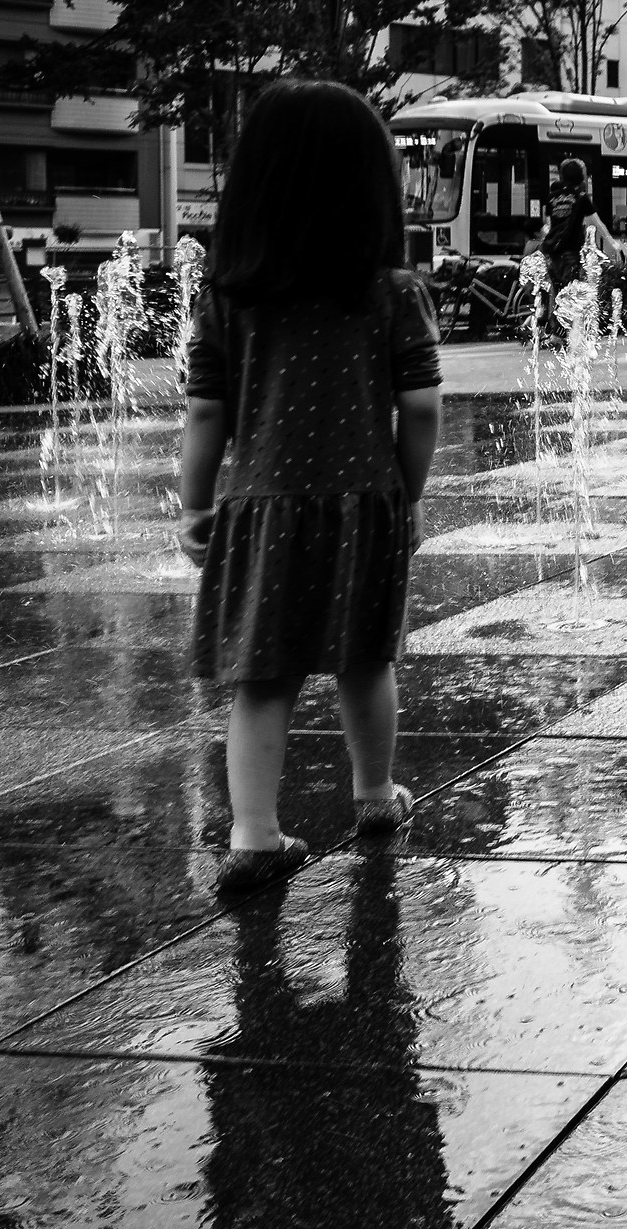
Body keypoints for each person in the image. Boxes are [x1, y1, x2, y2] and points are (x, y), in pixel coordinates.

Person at [176, 79, 444, 895]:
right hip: (363, 502)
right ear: (373, 186)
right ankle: (373, 796)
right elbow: (423, 405)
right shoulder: (392, 291)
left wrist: (195, 503)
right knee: (367, 657)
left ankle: (255, 834)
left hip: (260, 509)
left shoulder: (231, 296)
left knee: (262, 675)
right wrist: (406, 489)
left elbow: (204, 414)